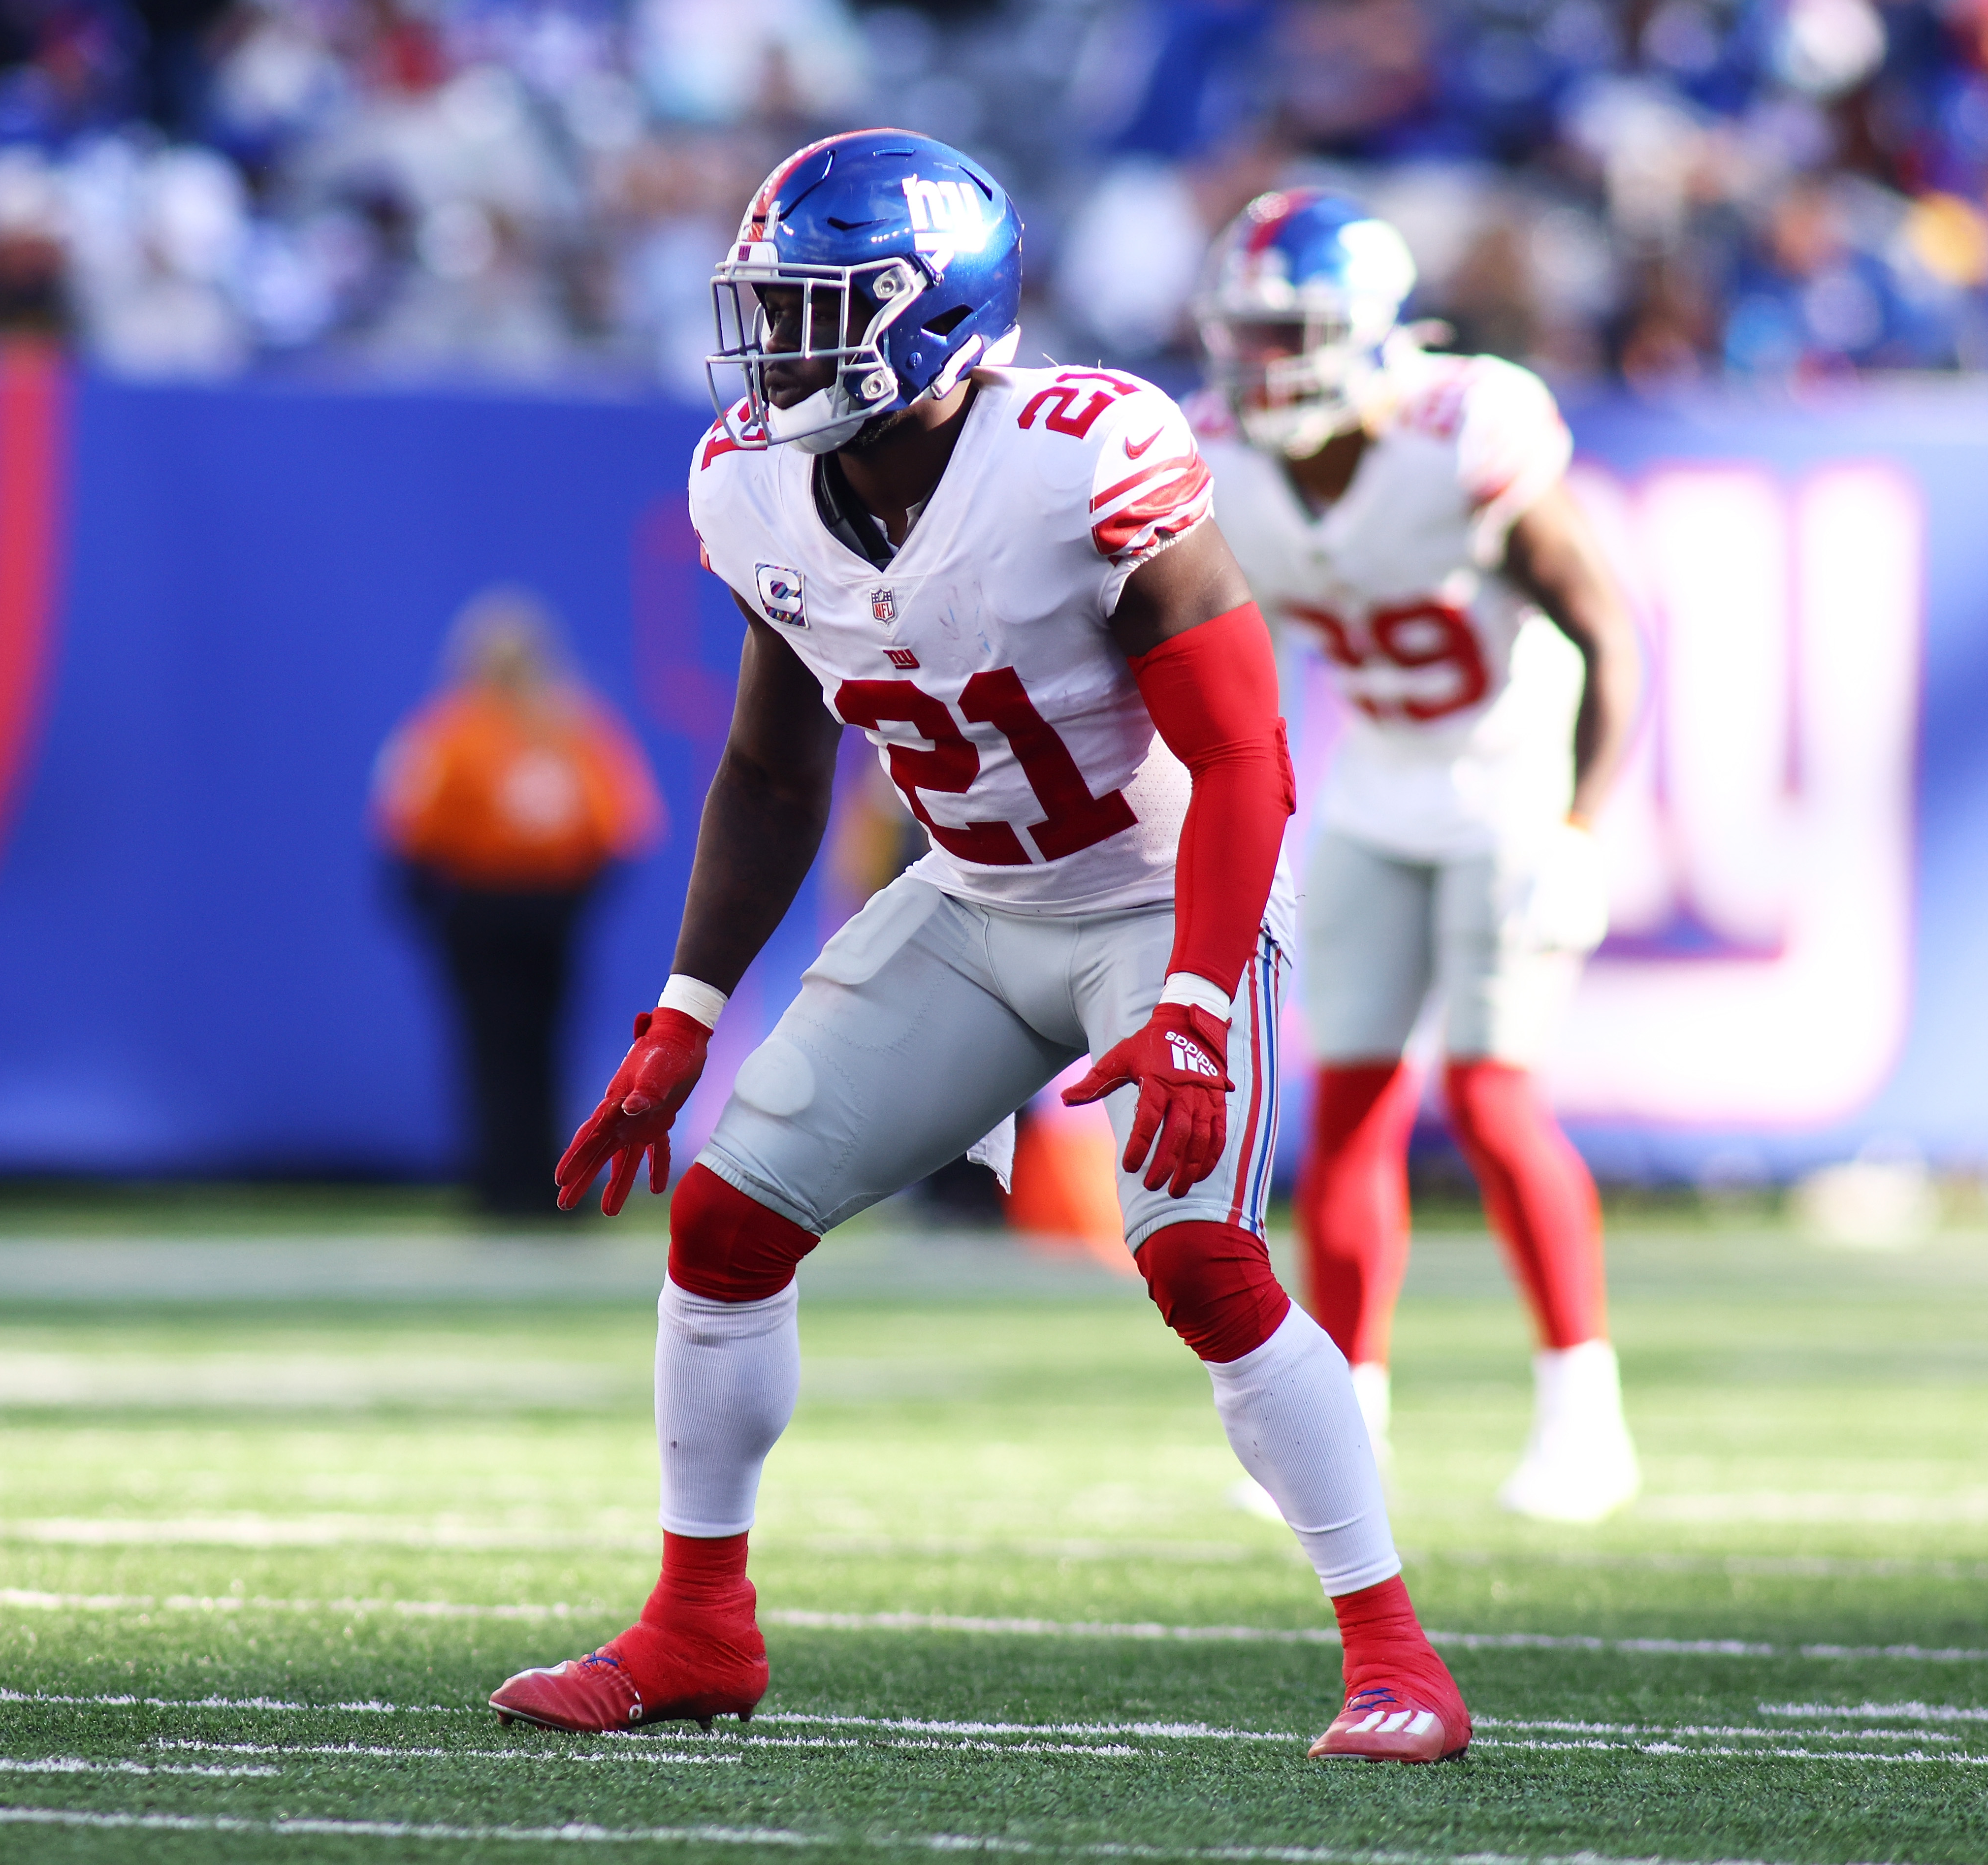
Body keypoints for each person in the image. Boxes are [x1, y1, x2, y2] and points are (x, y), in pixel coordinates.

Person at [484, 129, 1469, 1764]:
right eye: (769, 309)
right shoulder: (745, 479)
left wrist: (1199, 997)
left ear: (932, 317)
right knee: (724, 1226)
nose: (775, 346)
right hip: (973, 895)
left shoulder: (1084, 453)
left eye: (816, 310)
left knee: (1200, 1263)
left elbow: (1243, 755)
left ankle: (1394, 1656)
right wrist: (682, 1008)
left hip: (1160, 894)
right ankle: (695, 1626)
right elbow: (769, 761)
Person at [1188, 190, 1644, 1523]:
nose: (1259, 364)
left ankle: (1582, 1413)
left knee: (1494, 1102)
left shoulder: (1463, 432)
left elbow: (1604, 630)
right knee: (1345, 1119)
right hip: (1378, 791)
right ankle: (1343, 1427)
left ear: (1366, 335)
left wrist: (1575, 826)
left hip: (1506, 786)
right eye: (1245, 335)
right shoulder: (1222, 456)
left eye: (1290, 334)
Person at [376, 590, 663, 1217]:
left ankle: (524, 1180)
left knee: (516, 1044)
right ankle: (515, 1177)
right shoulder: (494, 729)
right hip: (504, 905)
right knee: (509, 1044)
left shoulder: (521, 729)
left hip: (521, 906)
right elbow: (412, 829)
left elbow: (408, 826)